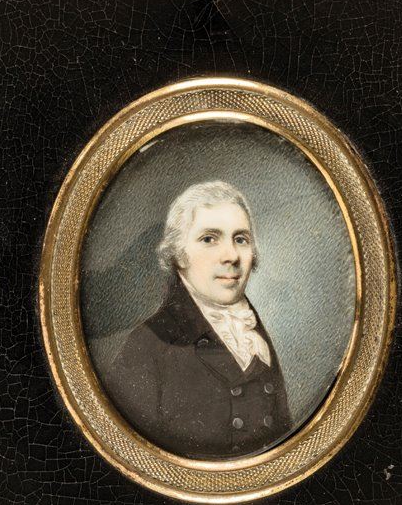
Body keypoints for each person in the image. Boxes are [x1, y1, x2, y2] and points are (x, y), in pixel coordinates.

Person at [108, 181, 292, 459]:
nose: (231, 256)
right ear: (179, 253)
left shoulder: (254, 334)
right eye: (209, 239)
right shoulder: (147, 345)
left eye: (240, 239)